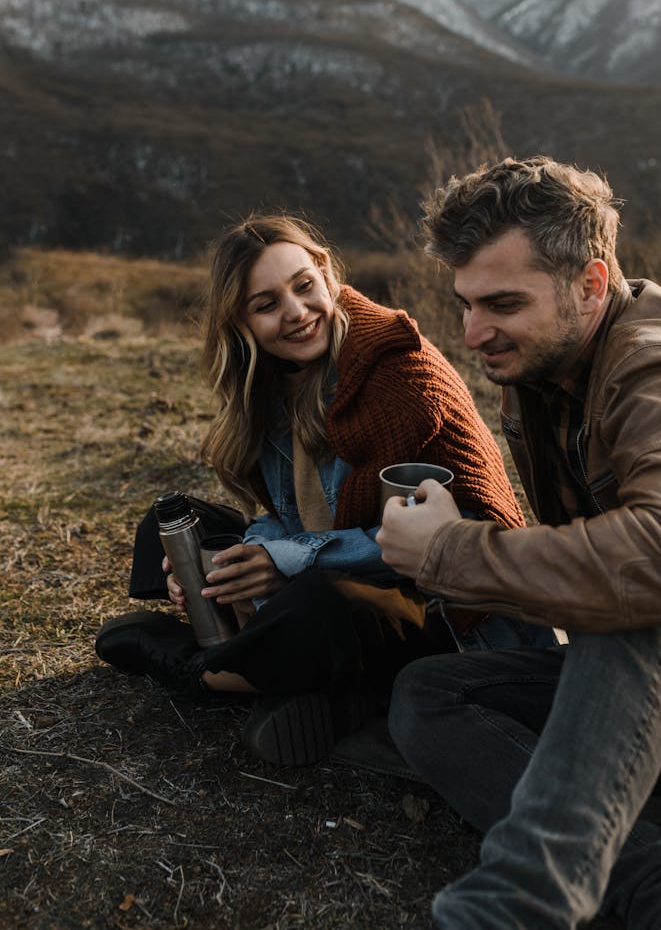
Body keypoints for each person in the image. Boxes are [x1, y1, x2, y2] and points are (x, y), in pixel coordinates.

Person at [377, 157, 661, 928]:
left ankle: (512, 908)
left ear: (589, 283)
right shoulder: (540, 376)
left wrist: (454, 553)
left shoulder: (660, 364)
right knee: (431, 696)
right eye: (467, 304)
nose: (473, 333)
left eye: (503, 304)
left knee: (643, 583)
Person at [96, 212, 552, 766]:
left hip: (443, 608)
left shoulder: (399, 372)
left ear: (327, 274)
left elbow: (416, 547)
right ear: (240, 323)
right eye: (266, 305)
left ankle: (200, 669)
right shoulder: (271, 383)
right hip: (337, 566)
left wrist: (282, 561)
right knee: (173, 523)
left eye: (303, 286)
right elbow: (289, 516)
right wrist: (232, 563)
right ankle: (276, 662)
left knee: (319, 603)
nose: (295, 313)